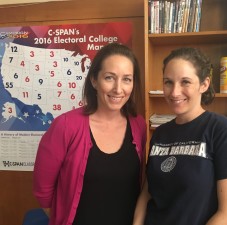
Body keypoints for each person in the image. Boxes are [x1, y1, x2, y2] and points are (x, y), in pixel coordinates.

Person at [133, 47, 227, 225]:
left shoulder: (225, 131)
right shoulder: (160, 133)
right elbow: (147, 192)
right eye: (168, 82)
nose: (175, 92)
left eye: (185, 82)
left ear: (204, 84)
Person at [33, 42, 146, 225]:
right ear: (94, 80)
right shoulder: (65, 125)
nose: (118, 89)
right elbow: (43, 191)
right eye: (109, 78)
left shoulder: (139, 125)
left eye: (127, 79)